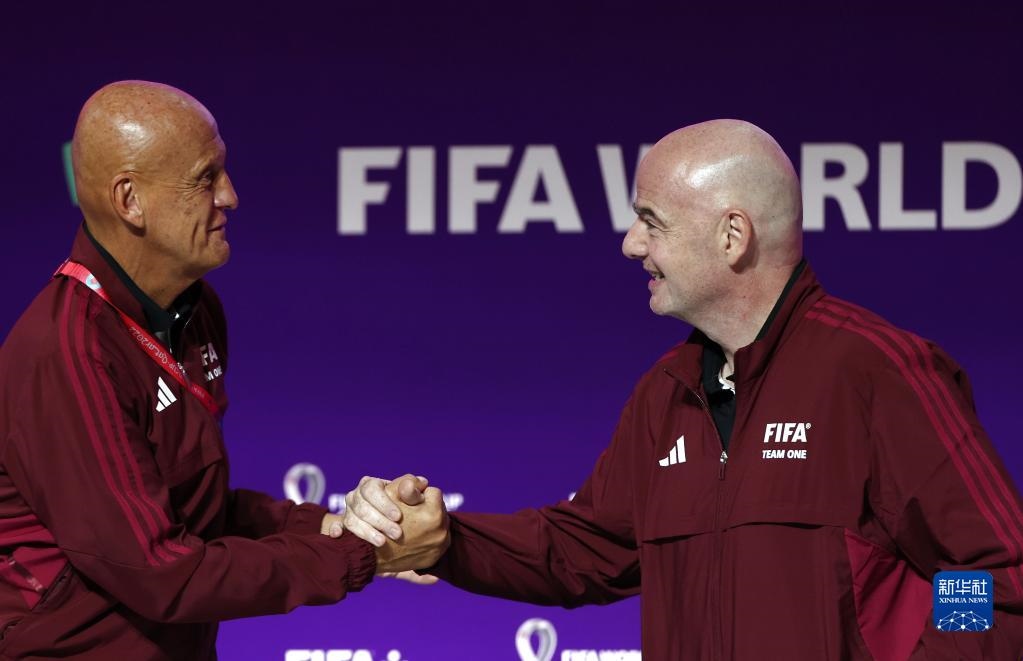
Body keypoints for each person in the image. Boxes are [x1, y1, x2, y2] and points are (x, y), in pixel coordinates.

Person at [346, 120, 1023, 659]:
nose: (630, 243)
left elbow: (992, 574)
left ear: (732, 236)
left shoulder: (876, 370)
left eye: (652, 220)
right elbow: (586, 550)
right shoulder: (664, 390)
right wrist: (446, 540)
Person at [0, 81, 449, 659]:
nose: (230, 196)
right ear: (130, 200)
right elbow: (162, 572)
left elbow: (200, 511)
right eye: (205, 178)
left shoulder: (194, 309)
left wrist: (346, 526)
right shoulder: (66, 353)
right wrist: (362, 554)